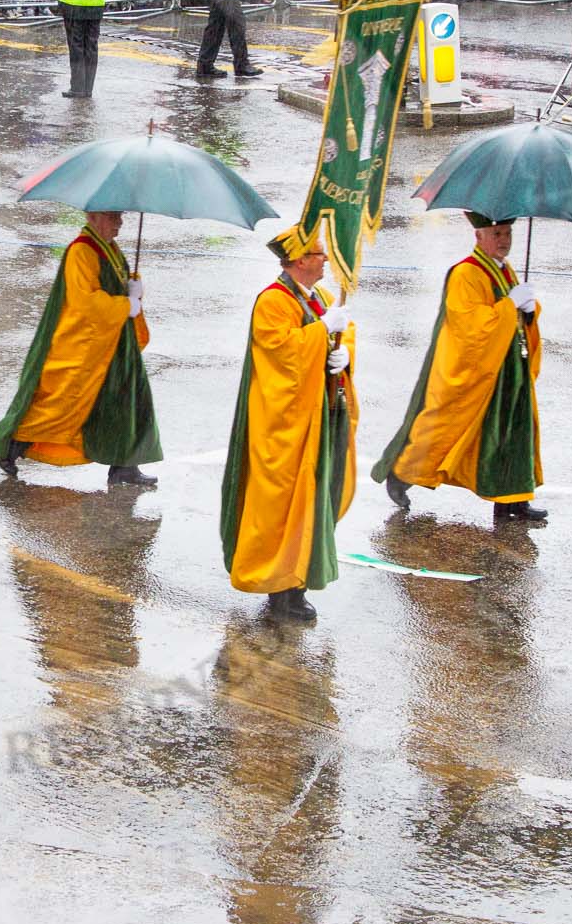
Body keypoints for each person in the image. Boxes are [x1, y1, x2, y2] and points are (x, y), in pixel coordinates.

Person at [220, 225, 357, 622]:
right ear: (298, 261)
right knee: (281, 506)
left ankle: (297, 581)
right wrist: (321, 334)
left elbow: (343, 336)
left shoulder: (324, 298)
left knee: (311, 501)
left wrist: (344, 353)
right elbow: (279, 355)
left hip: (318, 415)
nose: (325, 260)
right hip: (283, 424)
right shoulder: (272, 301)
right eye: (317, 254)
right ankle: (279, 590)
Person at [373, 212, 546, 525]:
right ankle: (403, 472)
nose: (504, 240)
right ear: (479, 236)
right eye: (497, 234)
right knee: (446, 427)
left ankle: (513, 500)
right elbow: (469, 325)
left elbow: (512, 317)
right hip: (482, 369)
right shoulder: (465, 273)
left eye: (507, 233)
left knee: (515, 433)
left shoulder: (505, 271)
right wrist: (510, 306)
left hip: (509, 368)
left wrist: (530, 311)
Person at [0, 209, 159, 488]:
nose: (120, 223)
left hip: (112, 341)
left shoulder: (109, 249)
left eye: (120, 216)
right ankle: (12, 443)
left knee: (127, 399)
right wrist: (128, 305)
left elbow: (112, 285)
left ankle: (125, 465)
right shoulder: (81, 252)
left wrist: (132, 287)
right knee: (64, 405)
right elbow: (85, 302)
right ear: (93, 217)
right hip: (86, 345)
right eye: (113, 216)